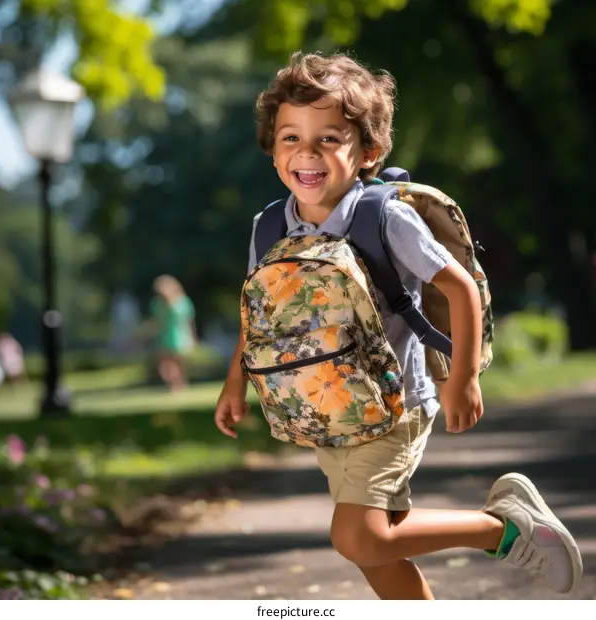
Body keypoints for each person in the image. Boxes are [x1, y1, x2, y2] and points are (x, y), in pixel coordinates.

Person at [213, 51, 582, 599]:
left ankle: (505, 529)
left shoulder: (383, 215)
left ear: (368, 152)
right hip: (325, 409)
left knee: (358, 536)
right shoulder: (270, 225)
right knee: (379, 548)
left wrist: (463, 378)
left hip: (394, 405)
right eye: (290, 138)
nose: (306, 153)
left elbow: (458, 287)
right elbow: (260, 311)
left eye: (329, 138)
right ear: (272, 151)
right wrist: (234, 381)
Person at [145, 275, 197, 392]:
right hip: (164, 336)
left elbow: (189, 322)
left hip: (180, 336)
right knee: (165, 365)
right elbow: (155, 322)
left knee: (178, 364)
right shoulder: (157, 304)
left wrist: (193, 337)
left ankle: (178, 384)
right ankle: (175, 384)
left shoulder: (182, 302)